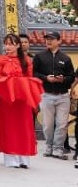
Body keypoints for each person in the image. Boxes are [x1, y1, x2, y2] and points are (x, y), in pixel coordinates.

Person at [0, 34, 40, 168]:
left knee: (23, 127)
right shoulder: (1, 59)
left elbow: (30, 80)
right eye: (6, 44)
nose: (8, 47)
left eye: (11, 44)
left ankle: (23, 158)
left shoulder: (27, 61)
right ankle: (11, 158)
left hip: (22, 100)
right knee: (9, 127)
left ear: (18, 45)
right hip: (7, 100)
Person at [33, 31, 75, 160]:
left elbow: (72, 76)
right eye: (47, 39)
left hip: (63, 96)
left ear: (59, 41)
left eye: (52, 39)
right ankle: (49, 147)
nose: (48, 41)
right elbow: (34, 73)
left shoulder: (66, 58)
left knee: (62, 124)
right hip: (46, 95)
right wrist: (46, 78)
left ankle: (58, 149)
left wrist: (63, 79)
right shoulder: (39, 56)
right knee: (48, 124)